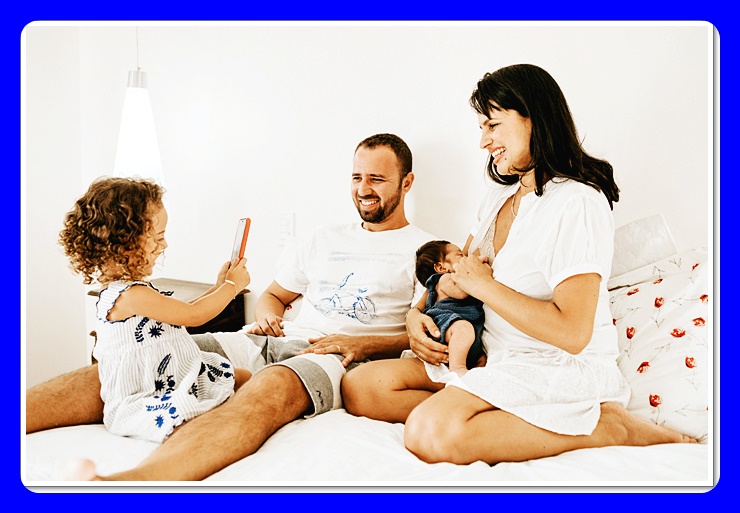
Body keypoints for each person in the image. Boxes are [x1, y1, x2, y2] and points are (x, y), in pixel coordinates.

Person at [26, 133, 436, 481]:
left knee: (267, 390)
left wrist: (364, 345)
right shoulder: (323, 237)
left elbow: (427, 336)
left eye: (377, 179)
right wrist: (267, 316)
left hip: (334, 358)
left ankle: (132, 483)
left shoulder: (426, 250)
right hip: (269, 340)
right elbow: (273, 297)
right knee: (149, 355)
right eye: (357, 177)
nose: (363, 188)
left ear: (407, 182)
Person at [342, 64, 695, 463]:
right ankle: (494, 413)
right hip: (490, 355)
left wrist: (486, 287)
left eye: (493, 125)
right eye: (482, 127)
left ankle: (609, 427)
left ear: (534, 118)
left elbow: (573, 332)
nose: (483, 141)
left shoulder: (577, 202)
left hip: (554, 365)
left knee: (429, 431)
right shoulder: (499, 195)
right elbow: (458, 271)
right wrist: (414, 314)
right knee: (361, 388)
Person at [58, 177, 252, 443]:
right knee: (187, 414)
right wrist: (232, 286)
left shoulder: (131, 290)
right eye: (159, 237)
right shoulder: (131, 295)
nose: (165, 245)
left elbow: (183, 311)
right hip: (150, 392)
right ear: (125, 242)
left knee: (241, 377)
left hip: (175, 376)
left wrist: (219, 287)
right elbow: (195, 316)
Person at [405, 240, 484, 377]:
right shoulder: (444, 279)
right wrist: (477, 267)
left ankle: (470, 370)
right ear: (441, 268)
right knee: (463, 329)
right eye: (460, 255)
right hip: (444, 323)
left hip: (466, 333)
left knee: (482, 359)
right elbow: (462, 291)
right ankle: (457, 368)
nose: (466, 257)